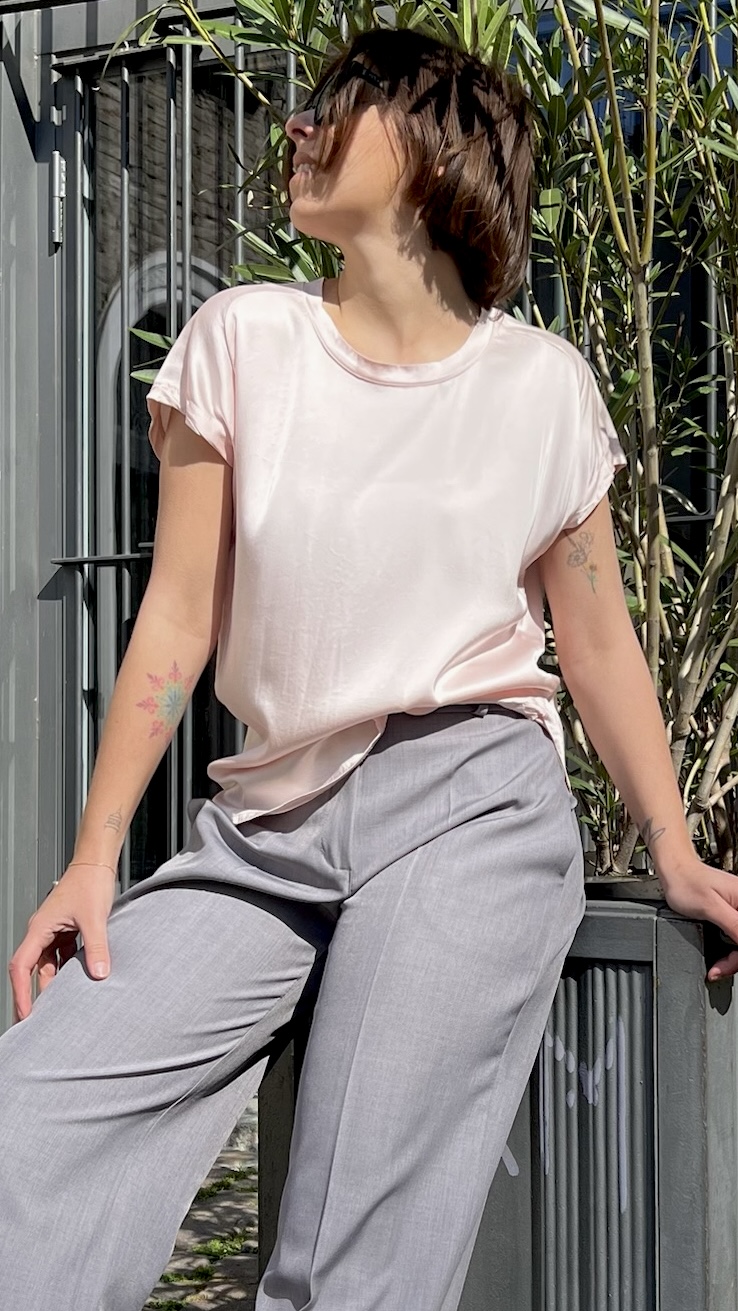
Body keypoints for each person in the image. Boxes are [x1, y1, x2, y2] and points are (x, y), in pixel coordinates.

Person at [2, 24, 738, 1311]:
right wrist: (92, 860)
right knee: (33, 1117)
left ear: (433, 150)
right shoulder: (242, 339)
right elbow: (175, 621)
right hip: (263, 832)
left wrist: (671, 846)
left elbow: (598, 642)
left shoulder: (545, 387)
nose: (296, 128)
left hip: (469, 806)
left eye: (336, 106)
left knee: (352, 1259)